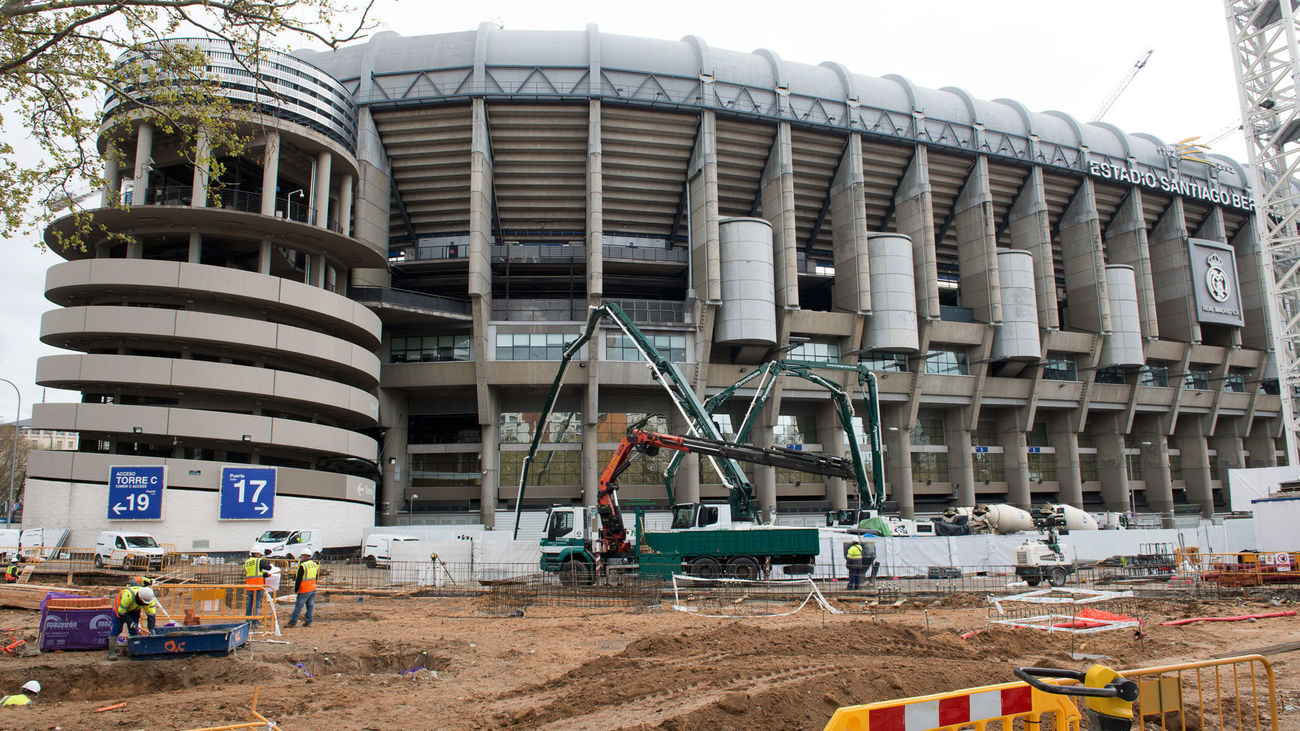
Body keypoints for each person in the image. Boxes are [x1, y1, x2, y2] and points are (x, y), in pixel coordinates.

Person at [107, 586, 157, 660]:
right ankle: (111, 652)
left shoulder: (150, 599)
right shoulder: (128, 596)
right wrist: (130, 622)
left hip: (135, 609)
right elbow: (121, 612)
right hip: (121, 608)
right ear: (139, 598)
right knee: (117, 628)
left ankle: (134, 651)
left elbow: (151, 615)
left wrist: (151, 628)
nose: (145, 604)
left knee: (134, 630)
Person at [286, 551, 318, 628]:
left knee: (299, 606)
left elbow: (299, 579)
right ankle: (308, 621)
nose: (301, 558)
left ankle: (293, 621)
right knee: (310, 606)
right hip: (312, 588)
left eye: (302, 556)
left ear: (305, 556)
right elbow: (316, 576)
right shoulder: (314, 564)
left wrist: (296, 589)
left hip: (304, 589)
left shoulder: (303, 565)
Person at [243, 551, 272, 620]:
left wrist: (265, 574)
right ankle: (254, 620)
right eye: (260, 554)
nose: (260, 556)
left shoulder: (246, 563)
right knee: (256, 604)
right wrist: (268, 565)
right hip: (258, 586)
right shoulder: (258, 561)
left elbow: (253, 573)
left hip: (249, 586)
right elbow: (268, 567)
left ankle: (248, 620)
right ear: (257, 554)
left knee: (250, 604)